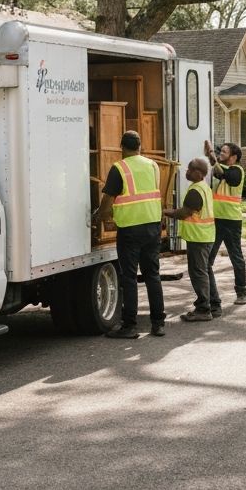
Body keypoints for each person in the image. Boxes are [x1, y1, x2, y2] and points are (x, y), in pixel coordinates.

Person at [94, 129, 166, 338]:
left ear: (122, 147)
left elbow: (108, 201)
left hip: (130, 230)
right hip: (153, 226)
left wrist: (99, 216)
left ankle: (130, 326)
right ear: (140, 146)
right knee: (153, 275)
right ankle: (158, 323)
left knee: (129, 277)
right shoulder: (153, 166)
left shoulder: (119, 168)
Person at [164, 156, 216, 322]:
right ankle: (214, 305)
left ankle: (203, 309)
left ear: (198, 173)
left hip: (199, 238)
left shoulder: (196, 191)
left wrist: (165, 212)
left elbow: (184, 213)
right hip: (205, 236)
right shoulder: (203, 187)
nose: (186, 171)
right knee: (205, 271)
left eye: (189, 169)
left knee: (198, 273)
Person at [205, 139, 246, 306]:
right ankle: (210, 296)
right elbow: (216, 171)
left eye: (224, 152)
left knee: (236, 257)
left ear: (233, 157)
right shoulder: (218, 170)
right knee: (208, 260)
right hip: (216, 220)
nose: (220, 154)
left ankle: (241, 291)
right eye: (220, 151)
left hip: (231, 221)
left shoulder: (237, 171)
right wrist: (210, 157)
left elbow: (229, 178)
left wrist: (211, 156)